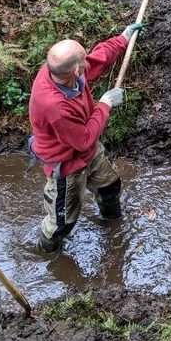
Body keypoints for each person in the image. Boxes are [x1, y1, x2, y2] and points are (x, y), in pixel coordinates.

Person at [28, 23, 144, 252]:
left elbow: (94, 61)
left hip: (88, 150)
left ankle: (113, 228)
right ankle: (44, 254)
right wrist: (105, 104)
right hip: (67, 163)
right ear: (75, 72)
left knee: (110, 188)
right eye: (82, 64)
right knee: (62, 224)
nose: (86, 64)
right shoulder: (54, 105)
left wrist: (122, 39)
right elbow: (82, 139)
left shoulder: (64, 73)